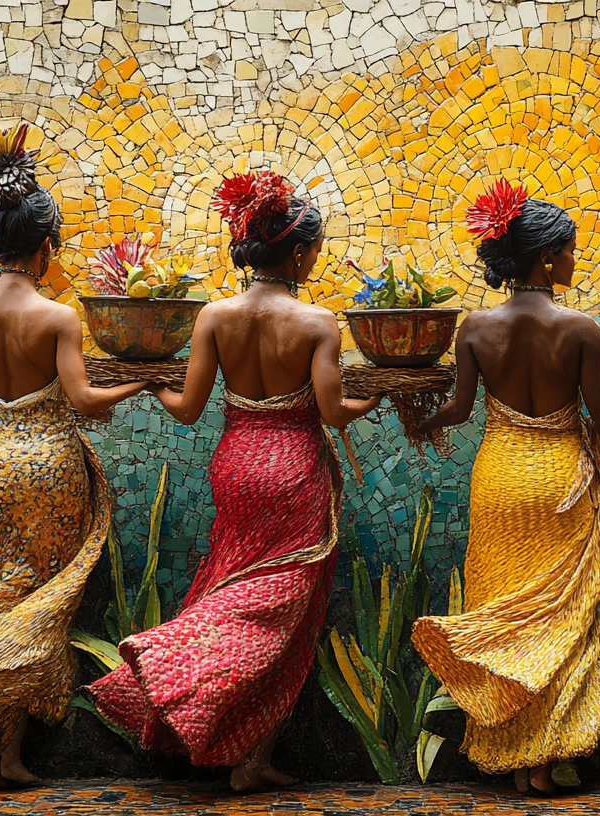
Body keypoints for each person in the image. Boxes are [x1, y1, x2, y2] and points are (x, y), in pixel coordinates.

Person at [85, 171, 380, 792]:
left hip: (237, 462)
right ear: (298, 253)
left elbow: (188, 407)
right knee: (283, 610)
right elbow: (332, 410)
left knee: (235, 580)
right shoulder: (318, 322)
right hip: (295, 466)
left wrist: (145, 380)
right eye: (316, 249)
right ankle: (168, 657)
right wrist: (373, 400)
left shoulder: (215, 316)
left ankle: (252, 756)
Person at [409, 180, 600, 795]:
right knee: (559, 618)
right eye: (572, 251)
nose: (576, 261)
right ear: (547, 259)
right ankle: (542, 760)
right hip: (558, 482)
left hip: (499, 475)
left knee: (506, 614)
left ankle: (517, 752)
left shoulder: (474, 326)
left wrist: (418, 418)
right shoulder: (581, 329)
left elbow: (459, 408)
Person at [0, 123, 149, 790]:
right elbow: (82, 399)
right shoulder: (58, 317)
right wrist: (147, 381)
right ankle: (3, 748)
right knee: (45, 599)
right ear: (47, 246)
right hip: (49, 464)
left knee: (4, 590)